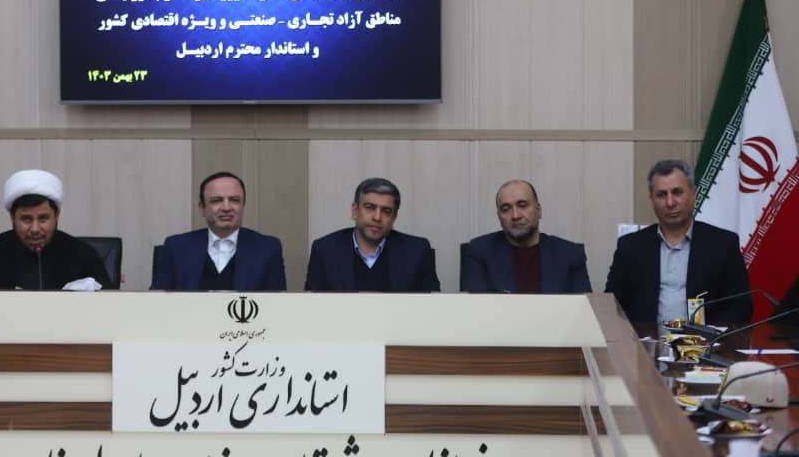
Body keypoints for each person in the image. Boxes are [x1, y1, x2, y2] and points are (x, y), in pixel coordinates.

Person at [605, 159, 751, 325]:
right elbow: (611, 306)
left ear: (694, 193)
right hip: (645, 341)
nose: (670, 203)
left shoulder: (723, 245)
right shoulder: (630, 247)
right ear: (652, 199)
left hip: (707, 340)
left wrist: (710, 336)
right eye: (661, 195)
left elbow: (741, 308)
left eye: (677, 192)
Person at [0, 169, 110, 290]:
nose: (35, 229)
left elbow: (112, 305)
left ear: (56, 215)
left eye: (43, 219)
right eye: (26, 219)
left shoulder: (82, 255)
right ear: (12, 217)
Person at [151, 171, 286, 291]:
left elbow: (277, 305)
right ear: (202, 208)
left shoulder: (268, 249)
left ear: (243, 206)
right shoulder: (176, 247)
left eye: (234, 200)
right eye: (216, 200)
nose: (226, 207)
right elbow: (155, 302)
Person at [305, 177, 440, 292]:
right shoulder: (325, 250)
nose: (377, 217)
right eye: (370, 207)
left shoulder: (417, 251)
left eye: (386, 211)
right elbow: (310, 306)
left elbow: (435, 305)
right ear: (355, 211)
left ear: (394, 218)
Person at [461, 180, 592, 293]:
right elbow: (476, 308)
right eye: (506, 209)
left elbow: (584, 308)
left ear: (538, 210)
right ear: (499, 217)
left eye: (522, 205)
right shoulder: (479, 251)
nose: (515, 215)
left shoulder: (570, 254)